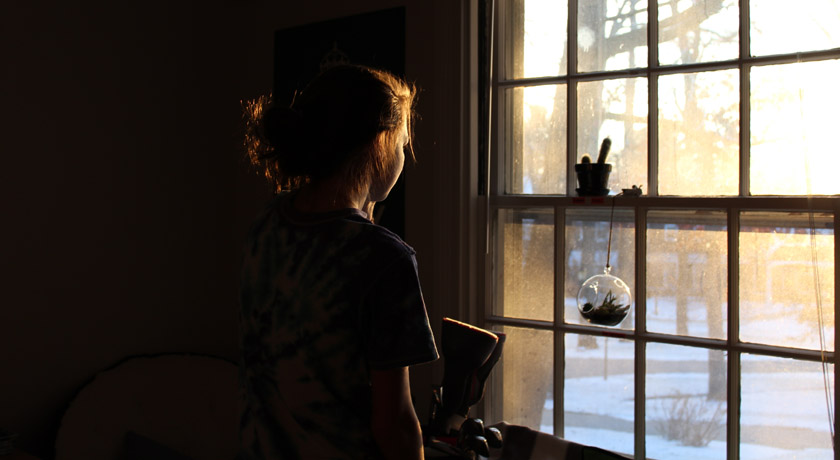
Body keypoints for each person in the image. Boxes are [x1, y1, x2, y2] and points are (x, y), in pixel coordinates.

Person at [238, 65, 438, 460]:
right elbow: (394, 421)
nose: (402, 155)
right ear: (379, 143)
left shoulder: (266, 226)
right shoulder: (383, 259)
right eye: (402, 144)